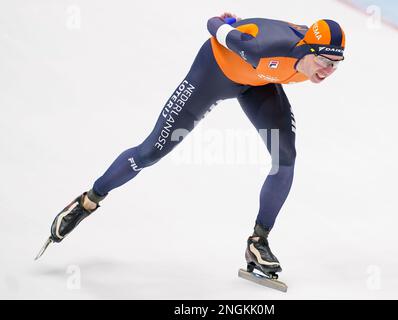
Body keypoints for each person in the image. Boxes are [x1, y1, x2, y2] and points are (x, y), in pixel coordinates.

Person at [37, 13, 346, 282]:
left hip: (258, 82)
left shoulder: (310, 53)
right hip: (213, 74)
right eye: (324, 62)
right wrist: (228, 25)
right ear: (307, 50)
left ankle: (258, 242)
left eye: (336, 64)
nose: (328, 71)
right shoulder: (263, 48)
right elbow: (212, 24)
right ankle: (88, 200)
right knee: (150, 152)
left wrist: (240, 26)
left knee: (285, 158)